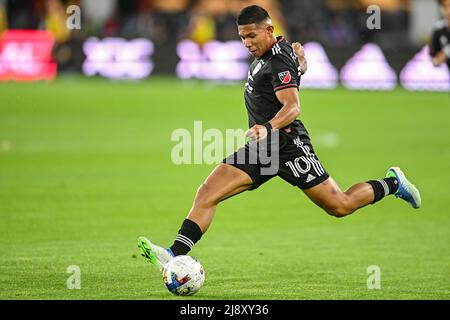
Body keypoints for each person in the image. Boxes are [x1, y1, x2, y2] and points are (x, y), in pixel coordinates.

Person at [137, 5, 421, 270]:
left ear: (269, 30)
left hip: (288, 146)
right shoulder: (273, 54)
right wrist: (301, 65)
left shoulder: (278, 59)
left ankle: (394, 183)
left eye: (252, 35)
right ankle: (175, 255)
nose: (246, 42)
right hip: (263, 149)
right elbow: (290, 78)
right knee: (207, 192)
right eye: (242, 37)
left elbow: (293, 106)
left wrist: (268, 127)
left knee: (340, 205)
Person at [430, 0, 450, 71]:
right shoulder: (438, 29)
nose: (448, 11)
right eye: (445, 6)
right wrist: (439, 59)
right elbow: (434, 57)